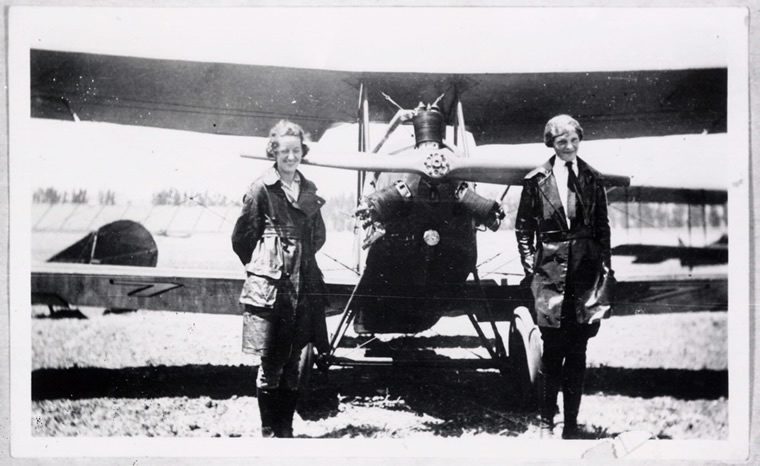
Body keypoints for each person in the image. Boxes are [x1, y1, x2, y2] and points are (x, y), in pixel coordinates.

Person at [515, 114, 613, 439]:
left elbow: (603, 230)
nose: (569, 147)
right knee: (552, 351)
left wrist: (603, 272)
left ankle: (570, 426)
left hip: (585, 278)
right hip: (549, 277)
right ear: (551, 144)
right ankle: (546, 423)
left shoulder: (593, 178)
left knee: (579, 352)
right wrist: (533, 269)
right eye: (561, 142)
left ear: (579, 141)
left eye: (573, 141)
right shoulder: (535, 180)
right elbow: (524, 229)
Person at [231, 120, 329, 438]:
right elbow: (242, 238)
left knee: (293, 362)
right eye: (284, 151)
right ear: (273, 152)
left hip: (303, 285)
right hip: (272, 288)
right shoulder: (261, 188)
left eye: (296, 151)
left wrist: (300, 259)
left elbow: (318, 237)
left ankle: (285, 431)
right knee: (271, 363)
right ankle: (269, 432)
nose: (290, 157)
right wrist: (266, 267)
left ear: (303, 152)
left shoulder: (310, 189)